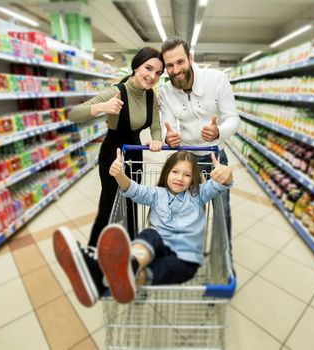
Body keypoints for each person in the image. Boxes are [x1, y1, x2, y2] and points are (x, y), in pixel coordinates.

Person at [53, 148, 233, 306]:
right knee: (150, 234)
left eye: (187, 175)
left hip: (185, 259)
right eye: (175, 172)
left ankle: (100, 276)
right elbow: (134, 190)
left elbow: (221, 184)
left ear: (193, 179)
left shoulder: (199, 195)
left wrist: (226, 173)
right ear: (166, 173)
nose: (180, 178)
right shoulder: (157, 194)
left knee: (160, 270)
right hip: (154, 250)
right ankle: (128, 265)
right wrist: (119, 174)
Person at [68, 47, 164, 247]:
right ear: (136, 66)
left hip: (135, 154)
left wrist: (157, 139)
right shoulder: (116, 92)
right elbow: (74, 114)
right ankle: (93, 252)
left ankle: (128, 247)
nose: (152, 76)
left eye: (158, 73)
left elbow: (155, 126)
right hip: (113, 154)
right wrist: (102, 107)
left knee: (131, 202)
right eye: (148, 68)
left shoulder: (150, 96)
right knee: (109, 205)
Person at [159, 37, 239, 238]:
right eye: (169, 65)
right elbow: (166, 126)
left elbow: (233, 119)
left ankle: (223, 254)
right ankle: (190, 251)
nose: (176, 70)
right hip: (187, 159)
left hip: (214, 155)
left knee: (222, 210)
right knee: (188, 210)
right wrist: (168, 138)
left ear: (190, 58)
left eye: (180, 62)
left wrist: (219, 131)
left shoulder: (216, 79)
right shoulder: (165, 91)